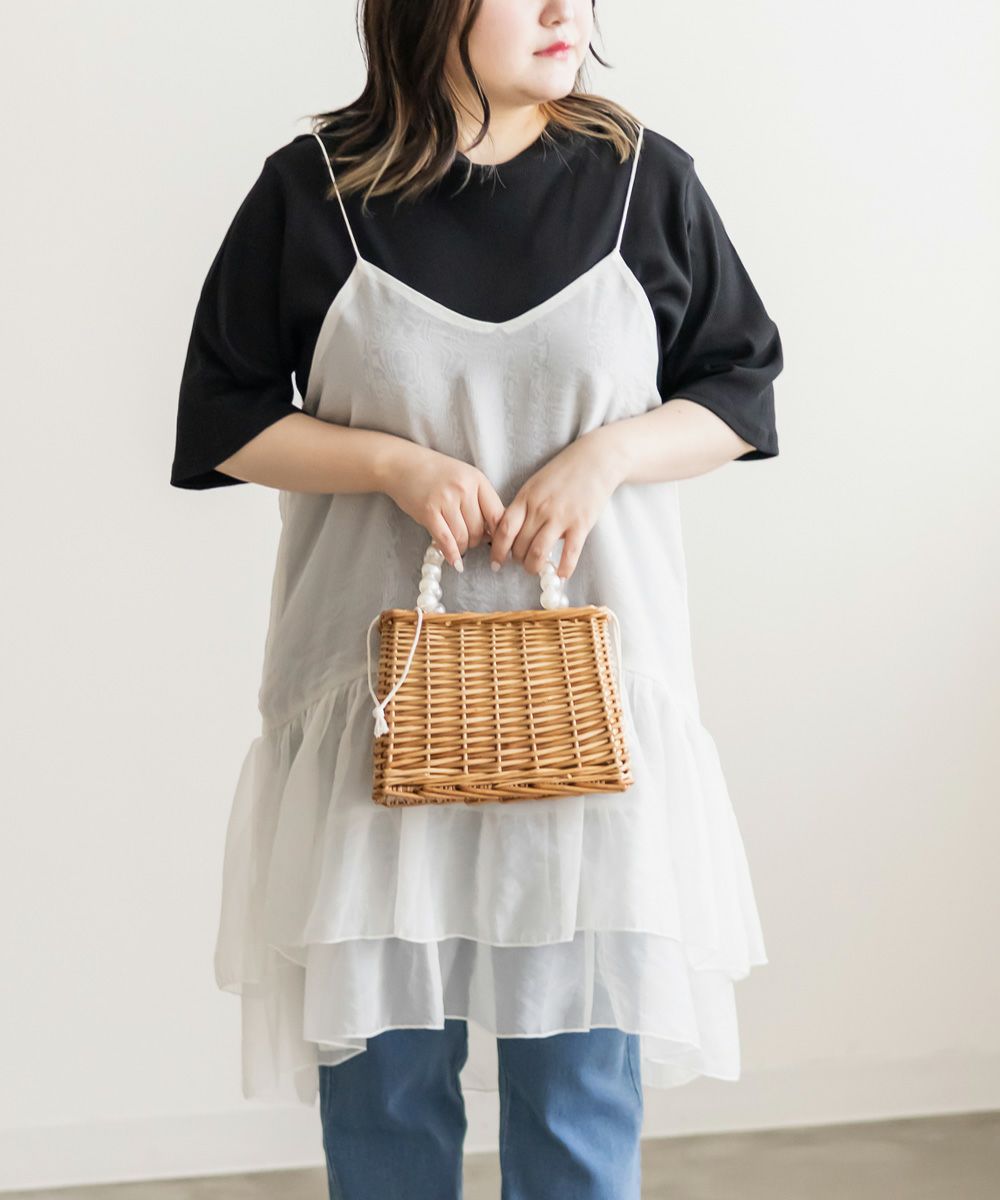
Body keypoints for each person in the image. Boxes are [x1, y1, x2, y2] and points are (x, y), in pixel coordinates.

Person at [170, 1, 783, 1196]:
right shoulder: (314, 191)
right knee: (386, 1092)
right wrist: (389, 464)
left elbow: (739, 388)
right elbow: (224, 417)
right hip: (376, 712)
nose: (565, 11)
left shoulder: (641, 181)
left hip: (587, 722)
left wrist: (607, 455)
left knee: (578, 1086)